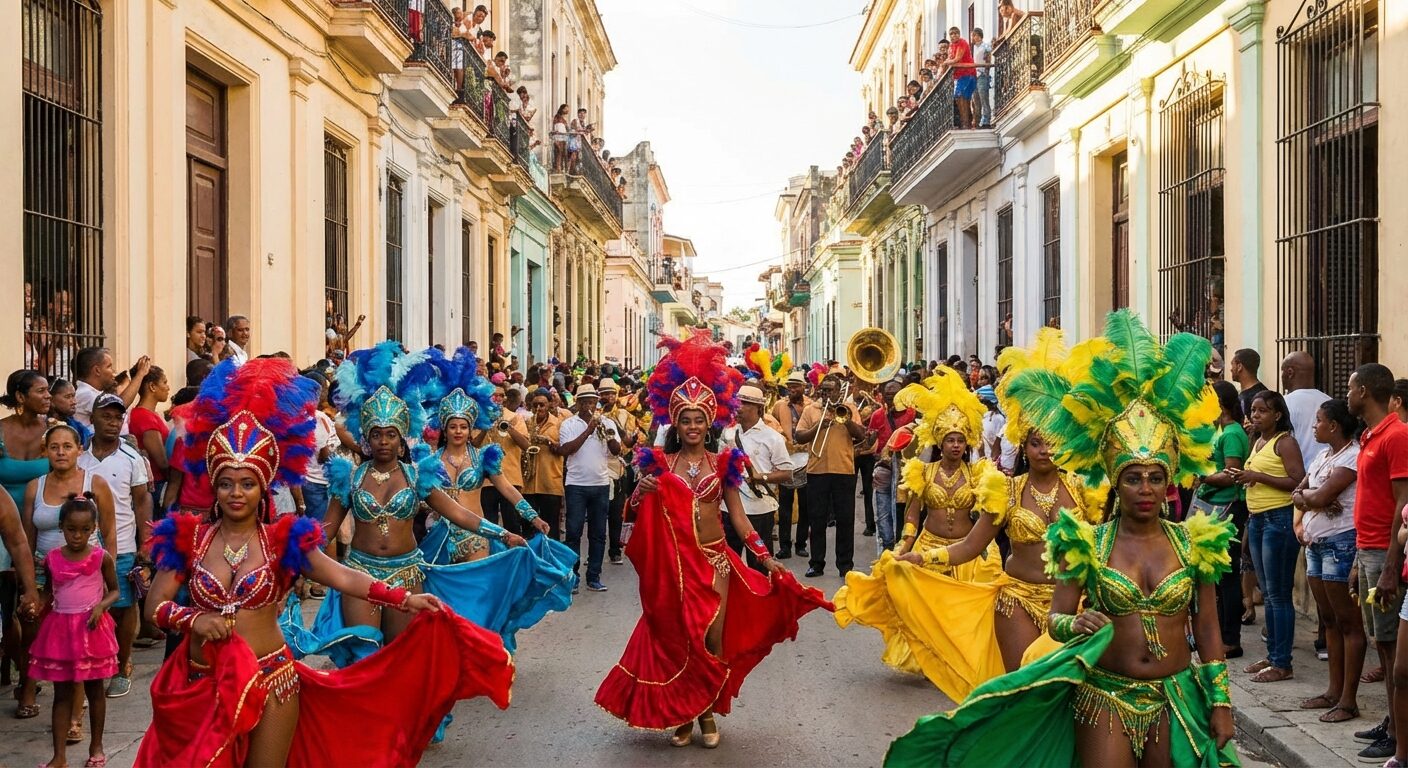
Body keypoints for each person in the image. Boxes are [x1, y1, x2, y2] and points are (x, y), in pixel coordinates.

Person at [885, 310, 1237, 768]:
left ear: (1168, 479)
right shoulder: (1084, 540)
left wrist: (1221, 700)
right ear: (1117, 480)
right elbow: (1051, 611)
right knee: (1026, 686)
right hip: (1098, 689)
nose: (1145, 488)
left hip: (1173, 697)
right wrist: (1077, 623)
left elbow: (1207, 628)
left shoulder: (1192, 544)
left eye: (1154, 477)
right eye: (1133, 478)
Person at [136, 356, 514, 767]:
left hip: (272, 677)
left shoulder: (283, 540)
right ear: (214, 484)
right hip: (202, 681)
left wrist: (406, 600)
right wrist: (193, 620)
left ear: (263, 486)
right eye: (226, 483)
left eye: (247, 483)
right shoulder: (189, 538)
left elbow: (342, 576)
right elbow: (154, 606)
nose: (235, 493)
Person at [595, 331, 830, 747]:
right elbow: (632, 511)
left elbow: (738, 519)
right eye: (684, 419)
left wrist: (764, 557)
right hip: (674, 564)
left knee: (712, 637)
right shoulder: (659, 463)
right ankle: (685, 714)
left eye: (698, 419)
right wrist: (640, 491)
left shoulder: (724, 463)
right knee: (679, 637)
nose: (691, 426)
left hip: (715, 559)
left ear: (710, 422)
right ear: (676, 422)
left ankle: (706, 714)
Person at [296, 342, 527, 668]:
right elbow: (328, 528)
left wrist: (501, 535)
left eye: (391, 434)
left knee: (401, 658)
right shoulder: (349, 477)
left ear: (402, 436)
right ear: (366, 437)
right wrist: (293, 552)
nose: (384, 441)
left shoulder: (417, 476)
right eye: (376, 434)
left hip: (407, 574)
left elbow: (458, 512)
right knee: (363, 658)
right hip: (362, 573)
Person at [18, 423, 115, 729]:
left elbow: (108, 533)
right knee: (37, 636)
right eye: (54, 447)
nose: (61, 452)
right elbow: (26, 537)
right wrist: (29, 581)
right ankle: (29, 690)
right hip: (46, 575)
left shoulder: (95, 483)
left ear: (79, 450)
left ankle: (75, 715)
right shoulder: (36, 486)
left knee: (78, 644)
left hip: (85, 577)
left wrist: (103, 574)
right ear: (45, 451)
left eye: (67, 446)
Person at [28, 495, 118, 768]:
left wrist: (101, 606)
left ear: (93, 529)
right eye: (71, 529)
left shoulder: (101, 558)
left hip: (91, 631)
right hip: (62, 632)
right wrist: (36, 604)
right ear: (61, 527)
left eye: (84, 530)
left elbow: (115, 590)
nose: (77, 536)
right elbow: (48, 593)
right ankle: (59, 756)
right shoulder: (52, 559)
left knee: (95, 691)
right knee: (62, 694)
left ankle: (97, 746)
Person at [1347, 363, 1408, 763]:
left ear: (1366, 390)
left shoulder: (1397, 435)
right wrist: (1358, 558)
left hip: (1384, 555)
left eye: (1351, 388)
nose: (1347, 394)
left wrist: (1390, 564)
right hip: (1366, 550)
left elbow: (1403, 502)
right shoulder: (1370, 435)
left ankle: (1398, 733)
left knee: (1390, 650)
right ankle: (1391, 722)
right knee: (1381, 646)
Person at [1291, 398, 1363, 723]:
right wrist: (1314, 501)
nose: (1313, 426)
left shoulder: (1351, 457)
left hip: (1340, 544)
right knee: (1329, 620)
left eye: (1318, 421)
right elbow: (1301, 492)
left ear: (1333, 426)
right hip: (1317, 543)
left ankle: (1348, 699)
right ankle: (1333, 691)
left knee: (1348, 621)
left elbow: (1317, 496)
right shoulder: (1323, 456)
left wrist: (1315, 500)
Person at [1232, 390, 1305, 683]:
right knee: (1268, 591)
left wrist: (1258, 477)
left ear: (1277, 414)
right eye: (1253, 410)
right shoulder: (1258, 440)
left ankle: (1282, 662)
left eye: (1263, 410)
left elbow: (1298, 480)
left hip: (1279, 520)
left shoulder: (1284, 442)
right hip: (1259, 520)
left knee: (1278, 594)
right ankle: (1273, 654)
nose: (1256, 415)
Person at [1194, 380, 1251, 657]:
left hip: (1227, 508)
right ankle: (1217, 632)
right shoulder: (1219, 431)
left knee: (1227, 575)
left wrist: (1202, 477)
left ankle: (1231, 638)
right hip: (1211, 506)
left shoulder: (1232, 433)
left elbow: (1232, 473)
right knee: (1215, 576)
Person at [794, 374, 868, 577]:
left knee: (845, 519)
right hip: (817, 470)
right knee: (816, 519)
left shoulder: (849, 409)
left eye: (831, 390)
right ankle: (816, 563)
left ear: (838, 391)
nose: (827, 393)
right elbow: (799, 436)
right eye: (824, 390)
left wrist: (844, 419)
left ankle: (845, 565)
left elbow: (861, 435)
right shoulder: (811, 410)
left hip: (844, 471)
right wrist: (818, 426)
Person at [721, 385, 794, 572]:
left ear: (757, 408)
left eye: (744, 403)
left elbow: (787, 473)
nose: (738, 407)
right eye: (737, 402)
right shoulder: (727, 433)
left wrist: (761, 477)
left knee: (760, 566)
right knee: (729, 565)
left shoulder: (773, 437)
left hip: (760, 510)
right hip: (728, 508)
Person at [556, 383, 621, 592]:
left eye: (593, 402)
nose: (589, 406)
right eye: (585, 402)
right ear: (578, 403)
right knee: (574, 532)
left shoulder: (607, 422)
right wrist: (589, 430)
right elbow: (567, 450)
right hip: (576, 485)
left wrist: (609, 434)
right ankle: (572, 576)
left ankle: (593, 576)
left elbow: (616, 451)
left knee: (598, 533)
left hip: (600, 484)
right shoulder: (569, 424)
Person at [866, 379, 915, 553]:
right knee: (883, 514)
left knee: (903, 514)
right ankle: (885, 553)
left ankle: (901, 551)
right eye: (888, 394)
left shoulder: (913, 414)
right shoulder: (877, 415)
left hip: (906, 472)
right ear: (883, 397)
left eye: (895, 393)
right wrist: (870, 439)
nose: (891, 396)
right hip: (884, 470)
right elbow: (870, 444)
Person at [598, 379, 639, 564]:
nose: (608, 397)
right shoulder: (594, 413)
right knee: (597, 512)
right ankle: (596, 552)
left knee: (615, 512)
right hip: (596, 468)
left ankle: (615, 550)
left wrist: (612, 422)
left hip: (617, 468)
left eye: (611, 393)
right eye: (604, 393)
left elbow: (629, 442)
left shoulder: (623, 413)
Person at [773, 370, 811, 559]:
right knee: (785, 506)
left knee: (806, 506)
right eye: (789, 386)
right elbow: (771, 423)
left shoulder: (812, 406)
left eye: (795, 386)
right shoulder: (779, 405)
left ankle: (801, 544)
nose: (792, 389)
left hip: (807, 460)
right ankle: (785, 546)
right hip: (786, 460)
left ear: (804, 387)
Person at [522, 387, 566, 538]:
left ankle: (550, 559)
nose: (538, 408)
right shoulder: (526, 423)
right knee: (528, 527)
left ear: (549, 405)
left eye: (542, 404)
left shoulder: (559, 423)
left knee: (551, 527)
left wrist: (551, 443)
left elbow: (565, 448)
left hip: (550, 482)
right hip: (528, 483)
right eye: (535, 405)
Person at [1281, 351, 1331, 465]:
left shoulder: (1283, 403)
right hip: (1325, 472)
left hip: (1294, 475)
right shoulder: (1329, 401)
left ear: (1290, 372)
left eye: (1282, 372)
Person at [1230, 348, 1267, 430]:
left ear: (1239, 367)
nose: (1231, 369)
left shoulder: (1256, 398)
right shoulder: (1263, 392)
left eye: (1232, 364)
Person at [970, 28, 993, 127]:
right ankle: (978, 119)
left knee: (983, 96)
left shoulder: (986, 46)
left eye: (974, 35)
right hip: (974, 75)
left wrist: (986, 72)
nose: (973, 38)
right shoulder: (972, 48)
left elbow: (987, 59)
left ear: (979, 35)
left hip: (982, 74)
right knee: (976, 99)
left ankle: (986, 119)